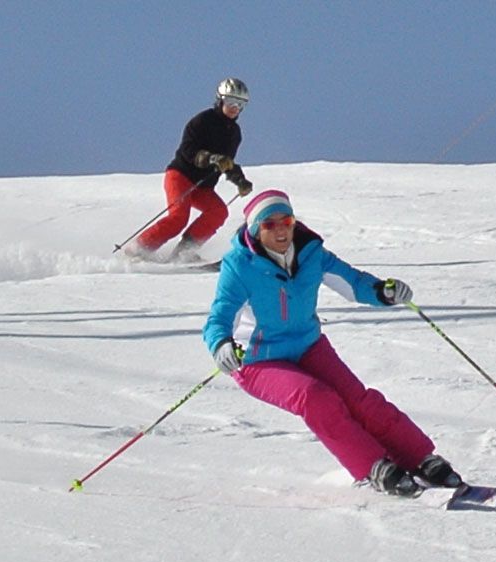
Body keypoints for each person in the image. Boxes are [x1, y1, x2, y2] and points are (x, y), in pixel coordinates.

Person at [202, 189, 462, 496]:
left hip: (308, 346)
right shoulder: (240, 265)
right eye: (269, 224)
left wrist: (383, 292)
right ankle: (373, 466)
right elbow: (220, 316)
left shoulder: (311, 253)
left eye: (286, 220)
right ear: (256, 230)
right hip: (258, 360)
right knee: (316, 397)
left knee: (359, 400)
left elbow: (353, 282)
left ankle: (420, 458)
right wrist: (221, 345)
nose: (281, 229)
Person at [126, 78, 254, 262]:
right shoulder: (202, 121)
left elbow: (228, 163)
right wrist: (211, 158)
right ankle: (138, 249)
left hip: (202, 187)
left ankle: (184, 252)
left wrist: (240, 180)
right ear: (220, 100)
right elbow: (188, 150)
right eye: (231, 102)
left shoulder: (234, 132)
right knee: (179, 217)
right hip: (181, 176)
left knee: (218, 211)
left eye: (241, 104)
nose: (235, 108)